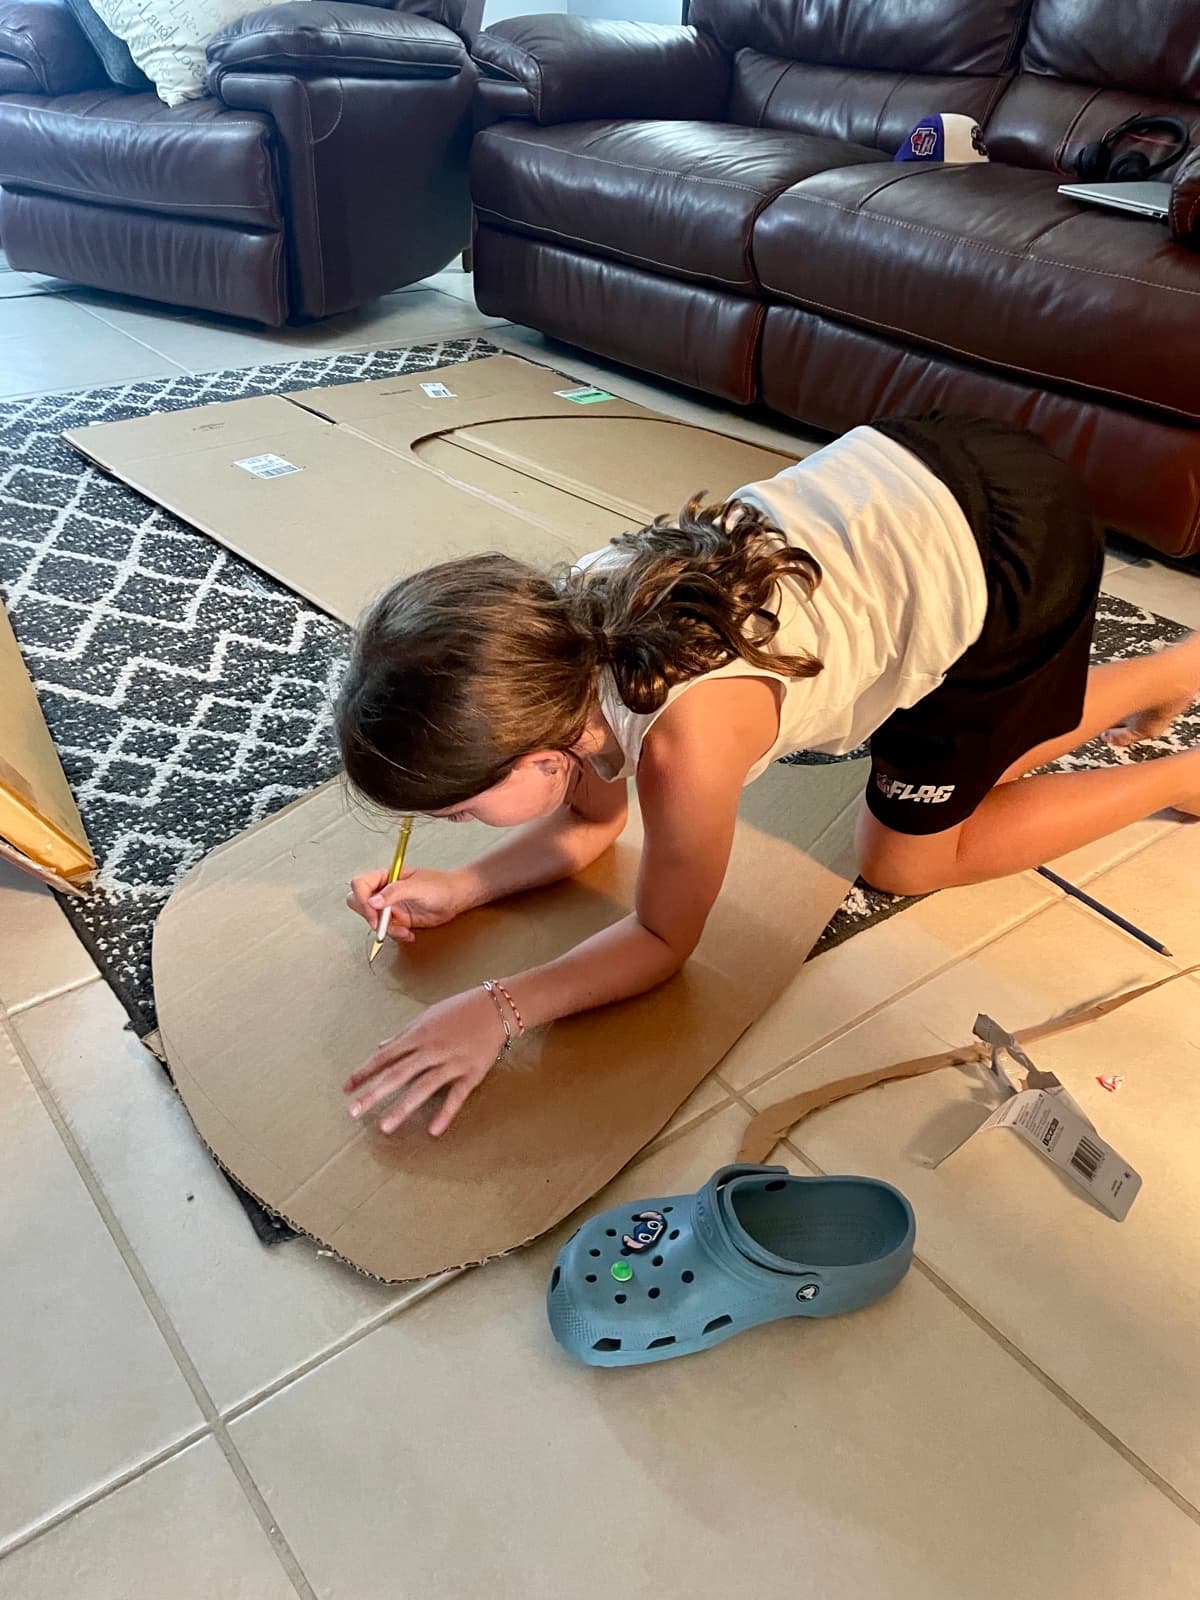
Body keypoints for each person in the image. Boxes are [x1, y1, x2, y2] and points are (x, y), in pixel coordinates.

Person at [336, 416, 1200, 1137]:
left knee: (906, 859)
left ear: (540, 755)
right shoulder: (556, 647)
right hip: (915, 475)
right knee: (984, 759)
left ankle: (1183, 775)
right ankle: (1174, 671)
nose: (456, 824)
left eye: (457, 813)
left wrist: (499, 1007)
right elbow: (590, 823)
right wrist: (463, 887)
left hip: (1010, 551)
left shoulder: (685, 744)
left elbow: (664, 942)